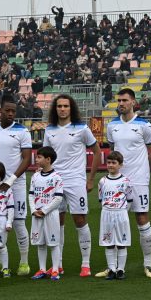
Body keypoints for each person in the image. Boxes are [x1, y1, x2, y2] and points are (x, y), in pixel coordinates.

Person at [43, 94, 101, 277]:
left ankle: (85, 264)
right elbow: (45, 156)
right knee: (57, 221)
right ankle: (57, 264)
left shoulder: (82, 128)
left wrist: (90, 178)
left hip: (76, 181)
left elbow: (97, 152)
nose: (62, 109)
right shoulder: (49, 130)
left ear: (71, 108)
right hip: (55, 182)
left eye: (65, 106)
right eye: (59, 106)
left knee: (80, 220)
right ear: (55, 109)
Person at [104, 88, 151, 278]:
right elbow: (113, 151)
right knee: (113, 221)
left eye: (125, 100)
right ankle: (113, 266)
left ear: (133, 103)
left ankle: (148, 264)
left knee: (142, 219)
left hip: (139, 180)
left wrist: (143, 171)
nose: (121, 104)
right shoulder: (112, 126)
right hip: (117, 182)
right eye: (119, 100)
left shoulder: (144, 125)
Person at [0, 94, 32, 276]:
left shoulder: (22, 131)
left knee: (18, 223)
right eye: (7, 110)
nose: (11, 114)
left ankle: (24, 262)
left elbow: (27, 159)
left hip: (15, 185)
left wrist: (10, 181)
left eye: (13, 111)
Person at [28, 147, 64, 281]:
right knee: (40, 243)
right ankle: (42, 269)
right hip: (36, 215)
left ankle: (55, 270)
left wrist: (44, 210)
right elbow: (31, 195)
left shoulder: (57, 178)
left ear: (48, 159)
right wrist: (33, 210)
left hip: (50, 215)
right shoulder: (35, 176)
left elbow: (58, 198)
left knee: (53, 243)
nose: (36, 159)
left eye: (39, 157)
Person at [97, 151, 134, 280]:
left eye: (114, 163)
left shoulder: (126, 181)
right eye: (109, 162)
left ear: (120, 165)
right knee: (109, 242)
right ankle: (112, 269)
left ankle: (121, 270)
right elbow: (101, 199)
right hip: (106, 213)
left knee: (121, 242)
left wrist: (122, 211)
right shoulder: (102, 181)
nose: (111, 165)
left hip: (121, 214)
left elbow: (129, 200)